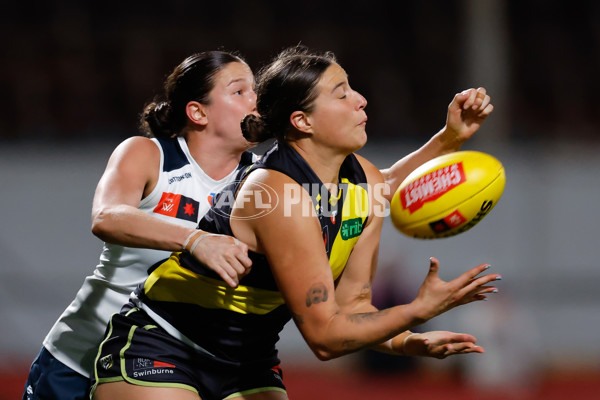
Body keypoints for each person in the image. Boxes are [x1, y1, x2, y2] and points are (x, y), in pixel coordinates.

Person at [23, 46, 492, 400]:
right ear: (197, 112)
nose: (255, 99)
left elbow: (372, 194)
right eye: (241, 90)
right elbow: (106, 216)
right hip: (116, 344)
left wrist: (448, 140)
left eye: (257, 89)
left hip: (243, 356)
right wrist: (195, 239)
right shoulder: (161, 157)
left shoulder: (286, 176)